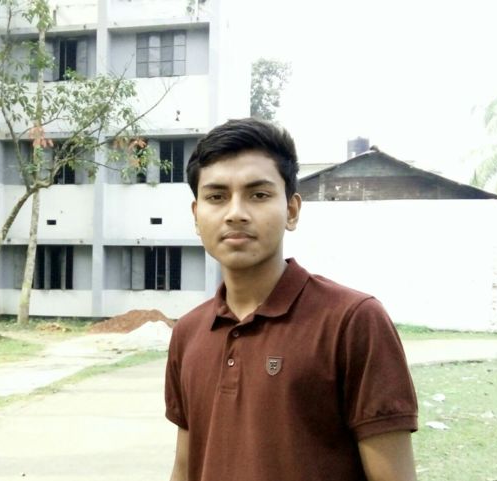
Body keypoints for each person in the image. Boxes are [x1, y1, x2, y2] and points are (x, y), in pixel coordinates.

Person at [165, 118, 418, 481]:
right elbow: (185, 466)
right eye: (216, 197)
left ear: (292, 210)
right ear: (196, 215)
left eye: (258, 194)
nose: (235, 213)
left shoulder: (352, 321)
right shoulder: (188, 332)